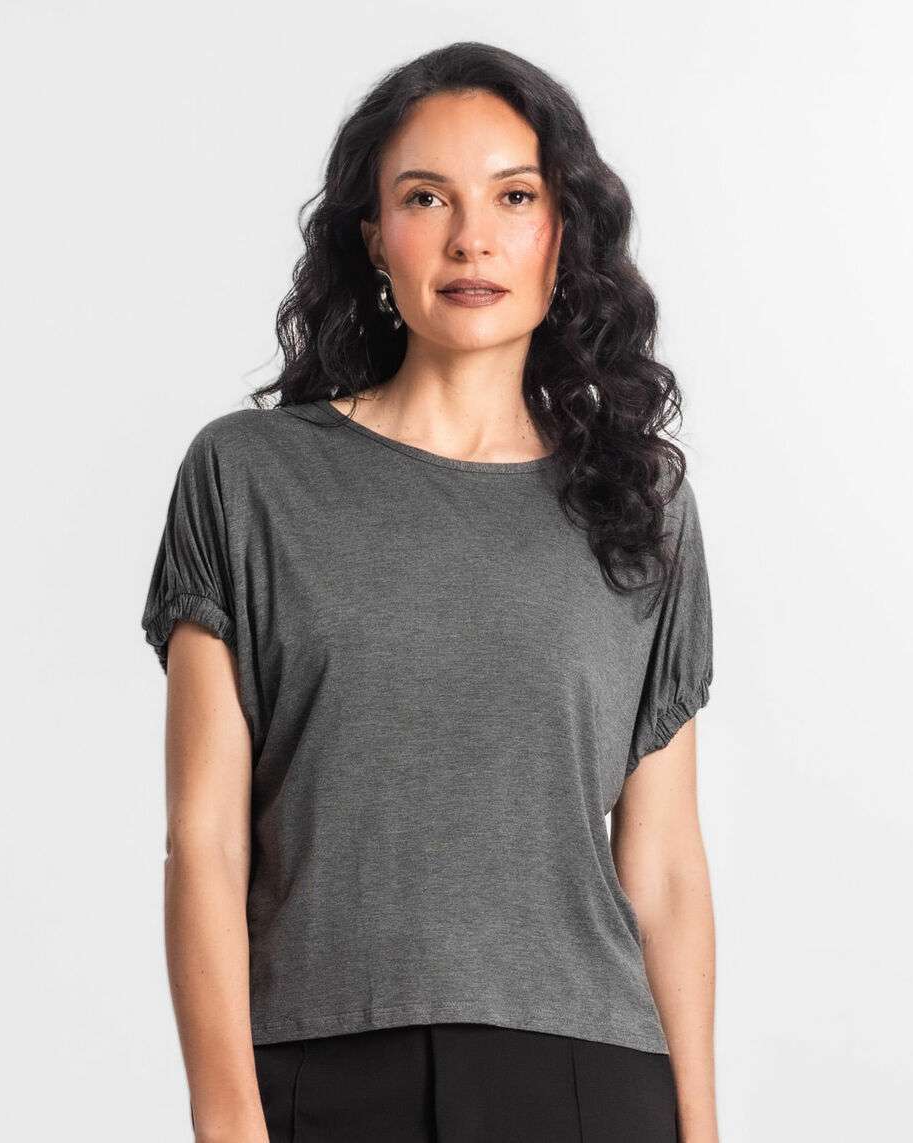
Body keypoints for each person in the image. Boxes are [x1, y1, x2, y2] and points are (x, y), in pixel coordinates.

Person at [141, 41, 718, 1143]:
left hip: (588, 1079)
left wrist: (701, 1129)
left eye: (515, 196)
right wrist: (227, 1118)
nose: (471, 239)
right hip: (316, 1073)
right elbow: (204, 837)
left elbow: (665, 866)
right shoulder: (249, 478)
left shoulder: (643, 502)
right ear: (373, 236)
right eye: (424, 197)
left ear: (565, 231)